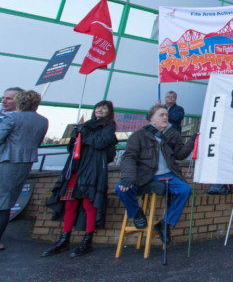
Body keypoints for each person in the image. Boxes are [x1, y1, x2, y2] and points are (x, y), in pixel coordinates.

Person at [42, 101, 118, 258]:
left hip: (92, 169)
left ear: (109, 112)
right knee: (70, 202)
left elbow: (99, 143)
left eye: (104, 108)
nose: (100, 110)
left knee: (89, 203)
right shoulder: (86, 125)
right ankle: (64, 239)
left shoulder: (109, 127)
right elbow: (71, 148)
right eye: (97, 107)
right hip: (76, 167)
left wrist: (84, 133)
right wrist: (74, 136)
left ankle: (87, 240)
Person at [115, 105, 194, 244]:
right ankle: (136, 213)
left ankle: (165, 223)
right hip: (145, 175)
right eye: (161, 115)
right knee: (120, 188)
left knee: (185, 190)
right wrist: (127, 176)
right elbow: (129, 157)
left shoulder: (172, 133)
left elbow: (180, 155)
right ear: (152, 119)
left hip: (168, 175)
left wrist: (192, 141)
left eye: (166, 115)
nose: (165, 117)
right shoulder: (139, 135)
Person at [0, 90, 48, 251]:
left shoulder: (12, 117)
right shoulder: (43, 120)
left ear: (19, 102)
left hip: (6, 161)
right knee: (7, 202)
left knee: (2, 203)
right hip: (25, 164)